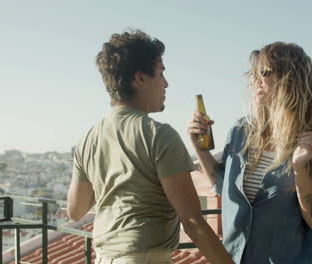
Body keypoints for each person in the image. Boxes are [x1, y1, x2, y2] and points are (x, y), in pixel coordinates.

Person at [67, 30, 234, 264]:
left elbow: (75, 210)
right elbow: (193, 221)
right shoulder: (159, 135)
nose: (166, 83)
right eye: (161, 73)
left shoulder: (87, 139)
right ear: (140, 78)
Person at [188, 42, 312, 263]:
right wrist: (198, 146)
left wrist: (299, 168)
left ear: (291, 78)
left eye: (264, 72)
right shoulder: (240, 132)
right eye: (253, 74)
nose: (255, 80)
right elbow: (222, 185)